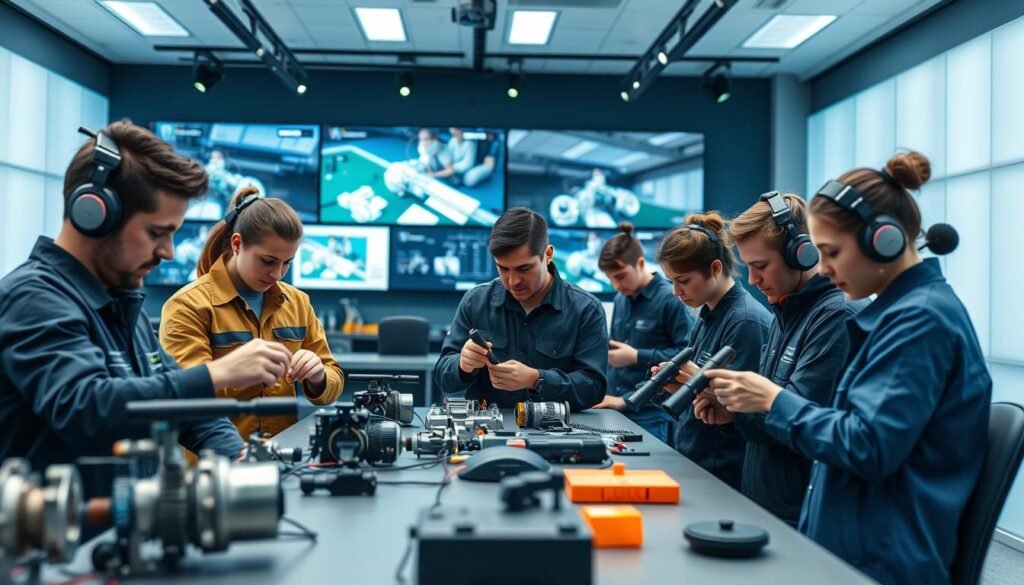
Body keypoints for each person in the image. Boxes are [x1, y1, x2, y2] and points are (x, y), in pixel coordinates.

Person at [705, 151, 991, 585]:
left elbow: (868, 447)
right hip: (850, 546)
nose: (823, 267)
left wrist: (774, 401)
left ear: (884, 240)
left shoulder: (920, 321)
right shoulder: (901, 316)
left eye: (832, 252)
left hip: (877, 560)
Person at [0, 121, 291, 491]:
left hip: (127, 535)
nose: (168, 252)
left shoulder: (121, 299)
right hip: (59, 544)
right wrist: (218, 374)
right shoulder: (33, 298)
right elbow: (88, 410)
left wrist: (241, 461)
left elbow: (184, 408)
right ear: (95, 215)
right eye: (157, 233)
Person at [693, 193, 863, 525]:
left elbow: (797, 420)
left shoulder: (836, 317)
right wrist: (731, 414)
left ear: (801, 253)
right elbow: (772, 413)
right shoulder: (786, 312)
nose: (753, 280)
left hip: (800, 517)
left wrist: (739, 410)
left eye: (761, 266)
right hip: (766, 506)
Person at [160, 186, 345, 440]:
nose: (277, 274)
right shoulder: (188, 306)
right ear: (237, 244)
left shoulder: (298, 303)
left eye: (287, 263)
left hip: (281, 462)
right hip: (215, 465)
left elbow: (333, 379)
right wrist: (241, 372)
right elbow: (186, 397)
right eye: (268, 261)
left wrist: (318, 376)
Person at [433, 207, 607, 410]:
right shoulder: (475, 301)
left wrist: (536, 379)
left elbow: (594, 388)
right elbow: (442, 375)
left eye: (524, 269)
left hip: (556, 435)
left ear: (548, 255)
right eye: (503, 268)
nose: (513, 281)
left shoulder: (586, 309)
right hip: (485, 434)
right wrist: (462, 365)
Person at [655, 212, 770, 489]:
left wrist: (700, 382)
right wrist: (683, 386)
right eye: (671, 281)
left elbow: (745, 412)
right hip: (697, 461)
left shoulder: (745, 321)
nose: (675, 292)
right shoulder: (708, 312)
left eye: (683, 280)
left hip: (724, 473)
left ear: (715, 268)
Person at [591, 222, 692, 442]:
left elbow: (686, 356)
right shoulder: (621, 299)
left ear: (640, 263)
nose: (616, 285)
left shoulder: (671, 299)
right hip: (615, 407)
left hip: (650, 413)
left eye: (620, 276)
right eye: (610, 279)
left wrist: (636, 357)